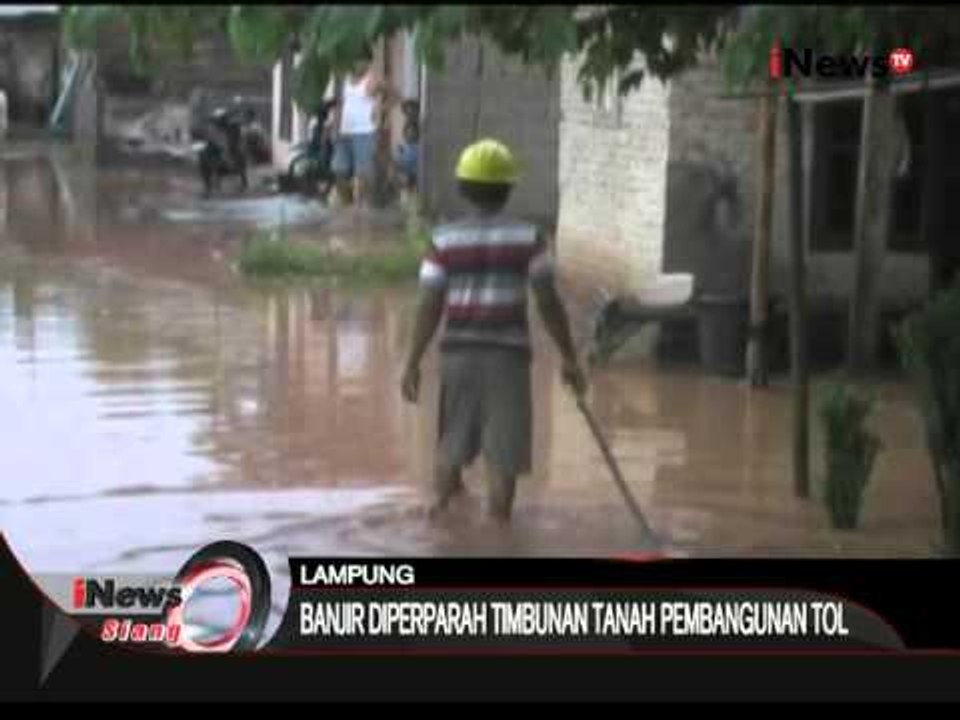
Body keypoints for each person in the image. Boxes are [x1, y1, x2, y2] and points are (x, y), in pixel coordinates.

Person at [400, 139, 587, 524]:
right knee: (503, 456)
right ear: (508, 189)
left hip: (457, 356)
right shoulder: (529, 239)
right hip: (509, 359)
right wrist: (570, 357)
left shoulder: (443, 239)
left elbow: (429, 305)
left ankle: (442, 527)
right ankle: (499, 532)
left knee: (451, 445)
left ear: (463, 189)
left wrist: (412, 361)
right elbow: (549, 303)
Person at [331, 51, 394, 209]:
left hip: (364, 132)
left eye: (359, 61)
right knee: (339, 170)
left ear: (367, 62)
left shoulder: (373, 80)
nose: (356, 65)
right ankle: (347, 204)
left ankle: (363, 205)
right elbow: (341, 104)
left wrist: (380, 109)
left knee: (363, 173)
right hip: (345, 131)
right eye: (354, 61)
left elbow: (396, 95)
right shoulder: (345, 79)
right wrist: (335, 126)